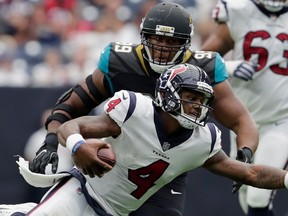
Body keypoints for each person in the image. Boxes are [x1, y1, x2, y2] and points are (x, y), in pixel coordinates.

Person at [4, 2, 258, 216]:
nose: (162, 48)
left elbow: (241, 119)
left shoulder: (204, 69)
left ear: (186, 44)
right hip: (115, 155)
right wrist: (50, 142)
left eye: (171, 41)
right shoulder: (122, 62)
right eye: (156, 39)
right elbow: (72, 103)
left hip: (167, 169)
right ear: (143, 37)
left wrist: (245, 152)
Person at [13, 64, 288, 216]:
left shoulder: (202, 140)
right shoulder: (135, 111)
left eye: (202, 101)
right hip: (81, 193)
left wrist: (286, 178)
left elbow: (251, 172)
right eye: (191, 97)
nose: (196, 106)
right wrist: (78, 146)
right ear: (167, 93)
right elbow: (72, 125)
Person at [201, 0, 288, 215]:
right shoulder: (239, 11)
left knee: (257, 197)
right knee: (245, 195)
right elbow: (201, 59)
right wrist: (230, 67)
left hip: (281, 120)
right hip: (243, 121)